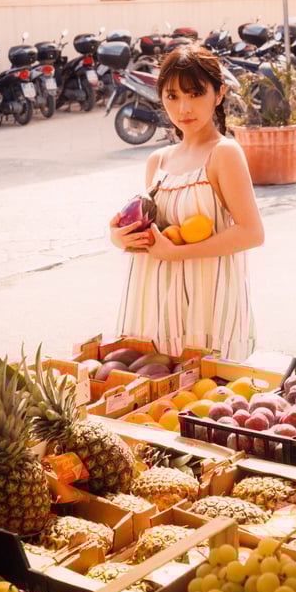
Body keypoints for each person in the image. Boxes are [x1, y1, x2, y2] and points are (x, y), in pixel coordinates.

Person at [109, 43, 264, 361]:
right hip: (156, 303)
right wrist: (120, 236)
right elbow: (154, 233)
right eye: (173, 96)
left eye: (195, 93)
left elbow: (251, 233)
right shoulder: (158, 161)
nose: (184, 108)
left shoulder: (223, 154)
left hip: (208, 303)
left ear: (218, 94)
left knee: (208, 401)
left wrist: (178, 254)